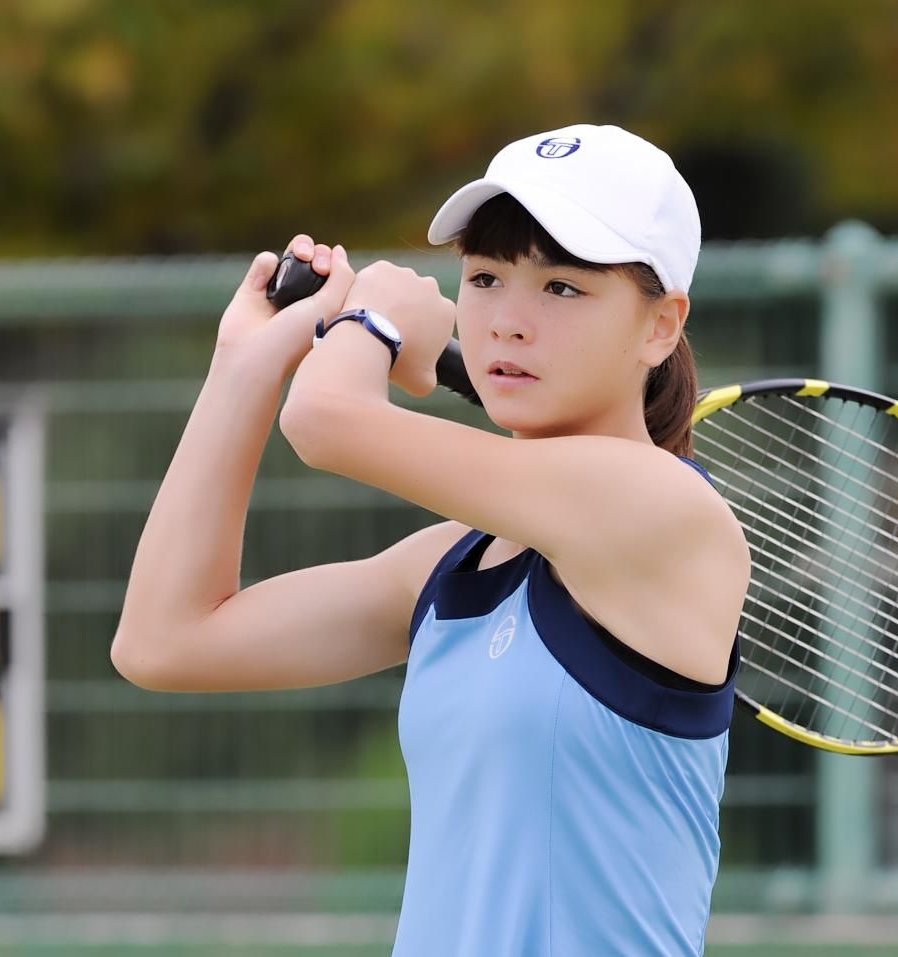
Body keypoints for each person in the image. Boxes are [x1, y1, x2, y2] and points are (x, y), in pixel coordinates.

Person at [111, 123, 749, 955]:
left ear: (661, 326)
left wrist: (371, 320)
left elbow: (324, 419)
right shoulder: (451, 562)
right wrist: (245, 364)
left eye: (562, 288)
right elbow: (164, 639)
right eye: (484, 278)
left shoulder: (661, 508)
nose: (507, 322)